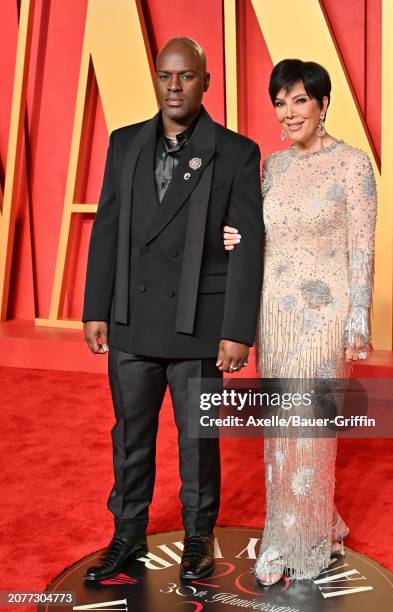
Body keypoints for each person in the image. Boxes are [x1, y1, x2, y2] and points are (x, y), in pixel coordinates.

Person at [82, 37, 264, 582]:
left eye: (186, 76)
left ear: (206, 83)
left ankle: (197, 539)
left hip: (198, 326)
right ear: (156, 80)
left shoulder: (235, 152)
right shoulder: (124, 144)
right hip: (132, 322)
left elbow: (248, 243)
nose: (175, 86)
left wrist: (236, 331)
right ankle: (126, 536)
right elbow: (107, 230)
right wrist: (96, 307)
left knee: (197, 444)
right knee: (129, 439)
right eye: (166, 75)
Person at [223, 59, 377, 585]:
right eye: (280, 103)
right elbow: (255, 235)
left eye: (298, 101)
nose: (287, 113)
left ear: (322, 103)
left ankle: (303, 542)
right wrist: (234, 241)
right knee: (282, 429)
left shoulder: (353, 165)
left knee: (310, 429)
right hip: (276, 314)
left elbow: (361, 247)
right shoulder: (273, 167)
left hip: (325, 315)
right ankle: (306, 521)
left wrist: (358, 315)